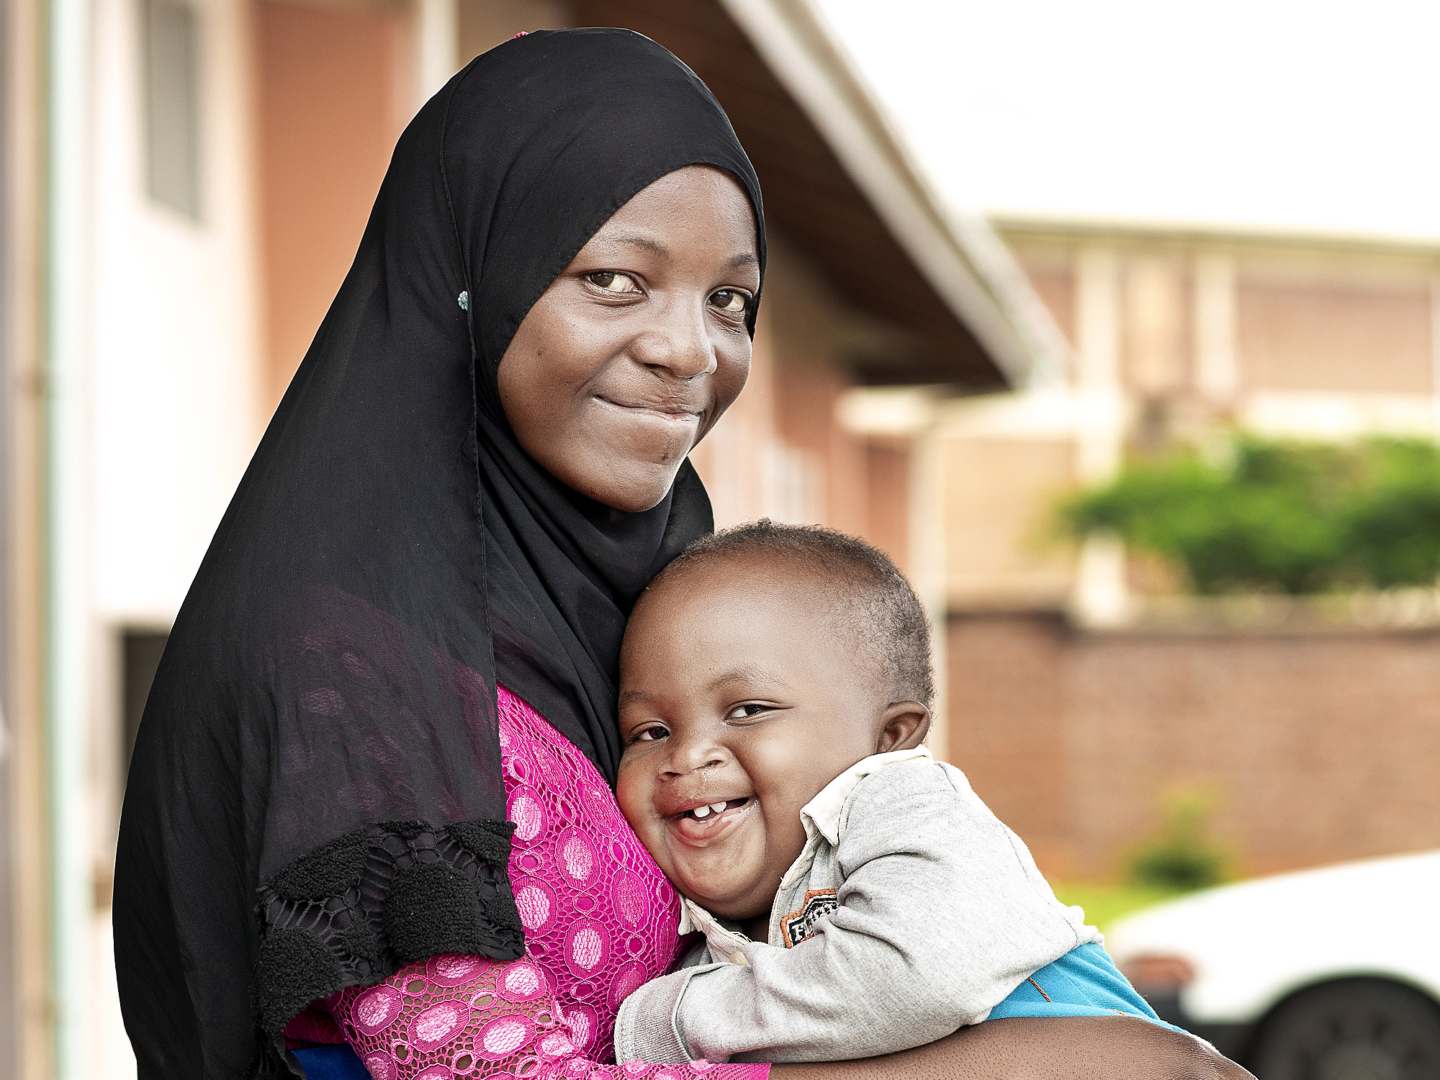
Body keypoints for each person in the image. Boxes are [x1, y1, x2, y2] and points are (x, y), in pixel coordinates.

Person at [113, 26, 1252, 1080]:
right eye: (614, 279)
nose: (690, 350)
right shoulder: (351, 667)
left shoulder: (651, 604)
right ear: (474, 284)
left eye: (730, 300)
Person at [613, 522, 1167, 1066]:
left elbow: (921, 974)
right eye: (650, 732)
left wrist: (667, 1021)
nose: (686, 755)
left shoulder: (907, 805)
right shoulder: (694, 930)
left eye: (748, 710)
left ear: (890, 737)